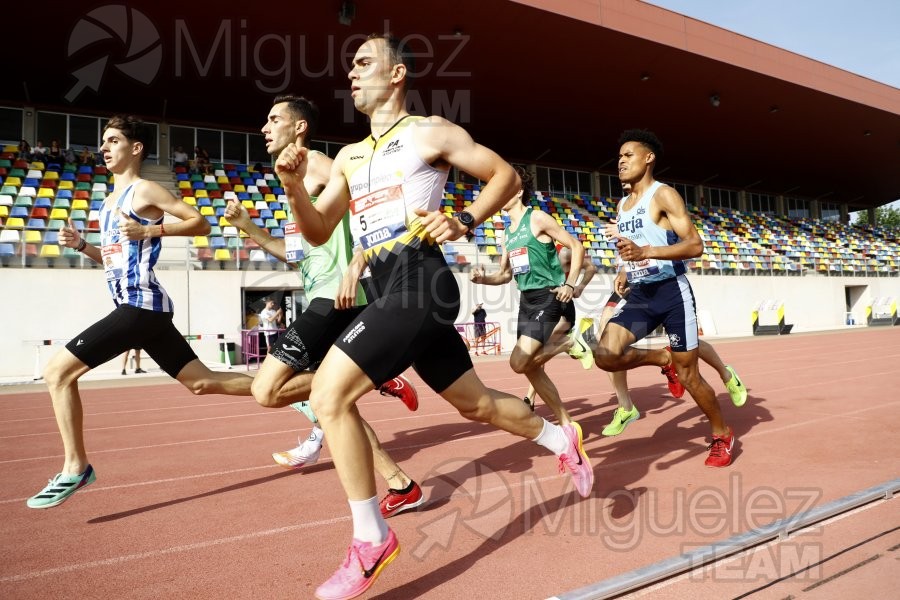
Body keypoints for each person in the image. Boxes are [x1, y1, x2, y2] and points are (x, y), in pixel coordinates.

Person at [278, 34, 593, 600]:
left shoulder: (431, 132)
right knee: (474, 405)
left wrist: (465, 220)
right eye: (349, 66)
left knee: (328, 397)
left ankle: (371, 540)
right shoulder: (349, 156)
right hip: (385, 286)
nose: (351, 73)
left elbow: (506, 177)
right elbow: (318, 230)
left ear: (397, 74)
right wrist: (293, 186)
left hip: (422, 278)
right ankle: (559, 439)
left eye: (363, 62)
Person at [26, 115, 254, 510]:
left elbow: (199, 223)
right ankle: (294, 388)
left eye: (113, 140)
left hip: (140, 305)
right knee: (201, 382)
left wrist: (151, 231)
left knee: (56, 372)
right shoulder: (108, 204)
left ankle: (75, 467)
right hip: (139, 308)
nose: (104, 147)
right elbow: (114, 259)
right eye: (103, 141)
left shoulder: (144, 189)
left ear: (135, 148)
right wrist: (83, 246)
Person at [225, 95, 425, 517]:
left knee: (267, 389)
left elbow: (370, 217)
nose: (265, 127)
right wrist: (248, 228)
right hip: (321, 293)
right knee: (331, 401)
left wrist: (356, 266)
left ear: (299, 128)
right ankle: (400, 484)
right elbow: (296, 251)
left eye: (273, 119)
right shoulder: (295, 177)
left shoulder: (319, 164)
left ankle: (377, 376)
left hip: (338, 296)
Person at [594, 128, 740, 467]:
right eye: (618, 158)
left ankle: (722, 434)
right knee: (605, 354)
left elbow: (695, 245)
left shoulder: (664, 195)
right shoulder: (623, 204)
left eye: (628, 155)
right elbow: (629, 248)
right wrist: (623, 270)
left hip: (672, 293)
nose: (620, 162)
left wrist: (647, 251)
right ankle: (663, 359)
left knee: (690, 377)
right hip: (643, 294)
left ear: (649, 158)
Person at [470, 166, 593, 426]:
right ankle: (567, 424)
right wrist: (482, 278)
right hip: (526, 301)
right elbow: (504, 275)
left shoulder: (536, 218)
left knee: (518, 362)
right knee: (530, 367)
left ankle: (569, 343)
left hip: (549, 297)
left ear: (518, 192)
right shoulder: (507, 234)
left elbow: (576, 245)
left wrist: (571, 285)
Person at [522, 239, 598, 411]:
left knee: (535, 350)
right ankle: (530, 398)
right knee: (536, 353)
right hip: (542, 308)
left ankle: (570, 342)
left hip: (561, 308)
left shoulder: (564, 251)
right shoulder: (532, 252)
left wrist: (578, 287)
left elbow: (591, 268)